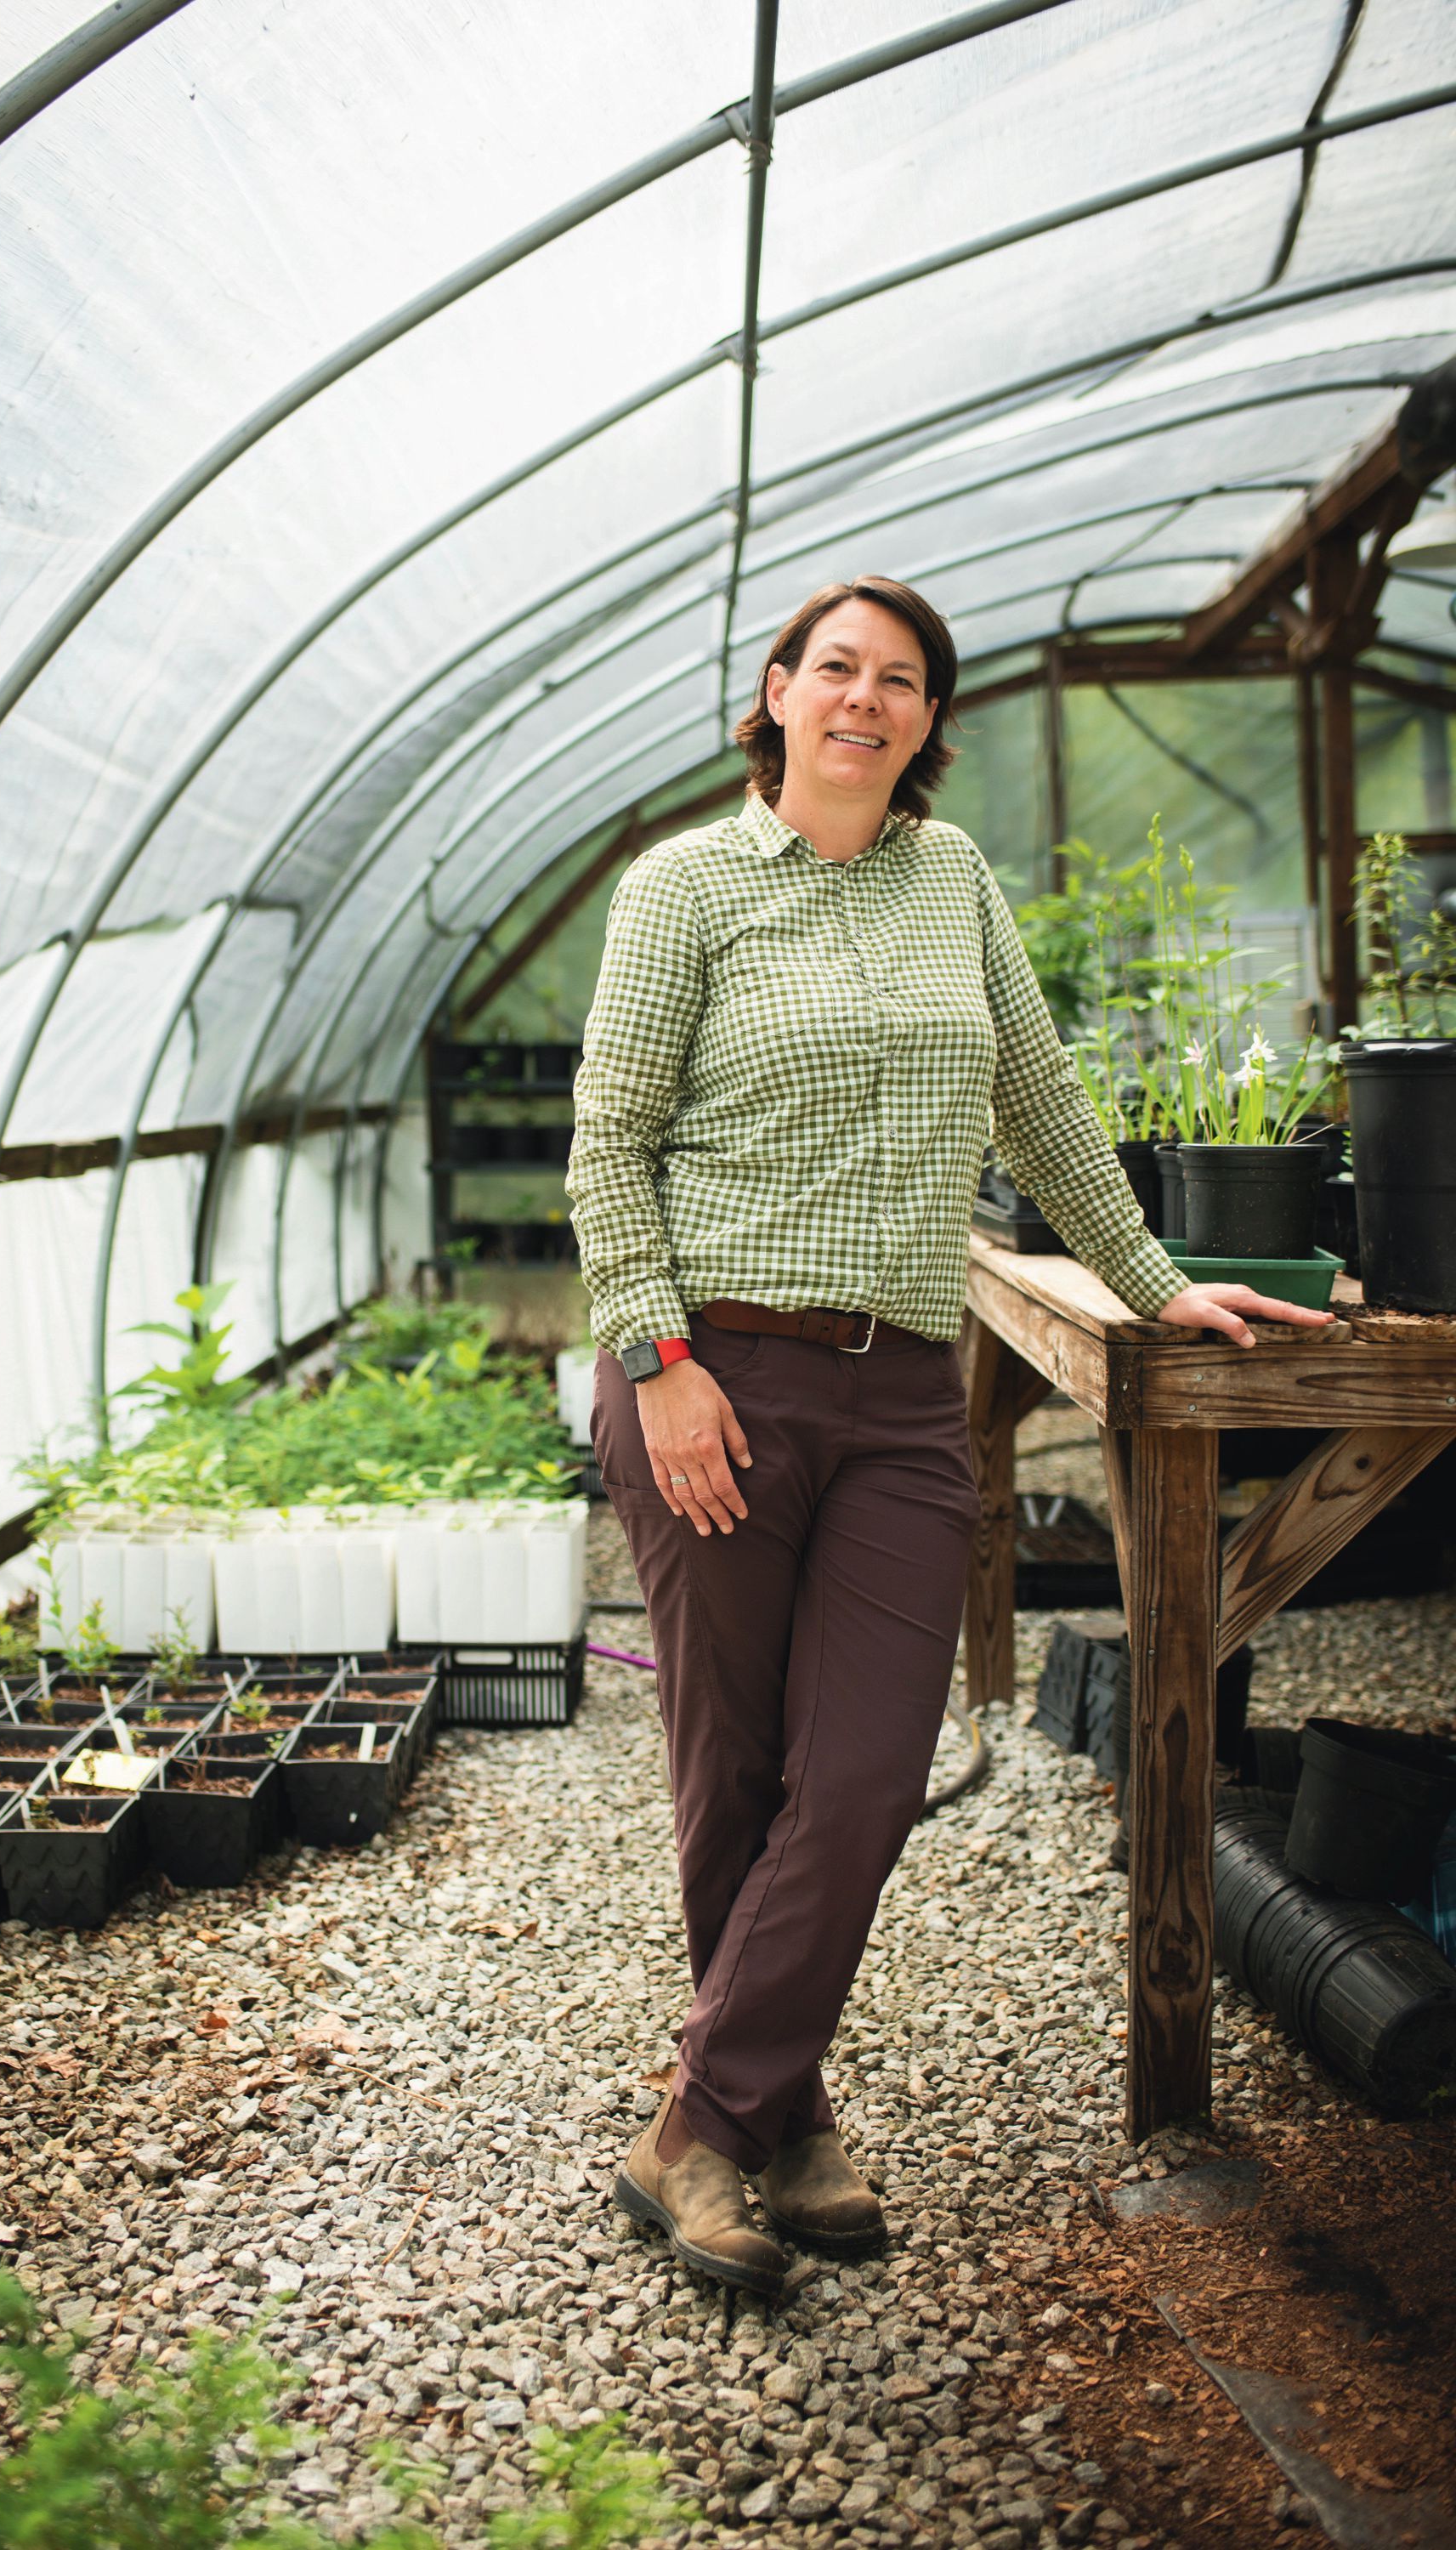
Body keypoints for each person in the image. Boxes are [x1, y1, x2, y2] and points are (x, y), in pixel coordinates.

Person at [564, 575, 1332, 2300]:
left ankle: (697, 2122)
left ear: (925, 720)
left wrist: (1149, 1286)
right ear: (773, 694)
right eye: (833, 668)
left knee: (859, 1770)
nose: (864, 698)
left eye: (899, 680)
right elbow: (610, 1149)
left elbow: (1041, 1102)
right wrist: (658, 1362)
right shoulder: (679, 888)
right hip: (717, 1381)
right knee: (734, 1773)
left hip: (905, 1390)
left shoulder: (953, 881)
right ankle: (778, 2114)